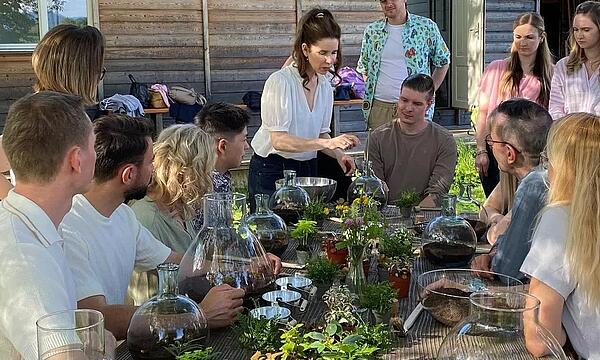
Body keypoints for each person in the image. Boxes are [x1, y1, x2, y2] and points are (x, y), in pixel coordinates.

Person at [60, 115, 247, 340]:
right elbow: (98, 318)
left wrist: (245, 265)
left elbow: (174, 260)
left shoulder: (123, 215)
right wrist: (198, 315)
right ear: (128, 174)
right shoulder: (69, 228)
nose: (156, 168)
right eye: (151, 162)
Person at [0, 91, 113, 359]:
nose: (96, 156)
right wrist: (102, 350)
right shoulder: (25, 254)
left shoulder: (32, 226)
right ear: (76, 160)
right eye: (93, 146)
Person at [248, 8, 359, 212]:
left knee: (305, 233)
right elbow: (279, 140)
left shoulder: (325, 85)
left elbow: (321, 133)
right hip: (272, 168)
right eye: (322, 53)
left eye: (334, 52)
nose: (330, 60)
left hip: (307, 167)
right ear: (306, 50)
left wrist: (338, 154)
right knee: (271, 235)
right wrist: (326, 142)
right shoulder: (280, 82)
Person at [521, 113, 600, 359]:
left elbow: (541, 339)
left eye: (548, 159)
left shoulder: (563, 217)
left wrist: (563, 331)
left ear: (563, 166)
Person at [0, 24, 106, 201]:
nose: (98, 78)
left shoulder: (66, 112)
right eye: (98, 71)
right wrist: (18, 205)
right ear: (81, 73)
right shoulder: (41, 117)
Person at [470, 99, 552, 282]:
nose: (490, 147)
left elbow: (508, 272)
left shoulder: (535, 185)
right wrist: (493, 255)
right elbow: (513, 242)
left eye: (491, 142)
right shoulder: (546, 175)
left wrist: (496, 261)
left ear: (509, 153)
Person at [475, 12, 553, 196]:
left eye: (529, 37)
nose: (523, 42)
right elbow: (483, 113)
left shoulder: (552, 75)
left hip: (530, 155)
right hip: (497, 150)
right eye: (518, 37)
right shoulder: (497, 69)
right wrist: (481, 150)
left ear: (541, 38)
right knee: (495, 207)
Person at [357, 0, 450, 129]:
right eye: (383, 0)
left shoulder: (426, 27)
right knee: (380, 148)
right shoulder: (372, 31)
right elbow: (364, 66)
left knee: (415, 148)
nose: (388, 3)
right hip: (380, 107)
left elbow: (443, 61)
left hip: (414, 108)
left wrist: (429, 91)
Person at [368, 74, 457, 207]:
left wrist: (414, 218)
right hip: (386, 214)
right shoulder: (377, 138)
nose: (408, 108)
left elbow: (437, 192)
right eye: (404, 100)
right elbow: (375, 188)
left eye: (417, 104)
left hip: (426, 215)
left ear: (429, 104)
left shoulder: (445, 140)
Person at [549, 1, 600, 119]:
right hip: (568, 134)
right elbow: (555, 107)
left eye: (586, 30)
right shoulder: (563, 65)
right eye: (576, 30)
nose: (579, 35)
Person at [195, 102, 250, 194]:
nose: (247, 147)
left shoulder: (214, 177)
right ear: (223, 146)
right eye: (244, 140)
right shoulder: (203, 192)